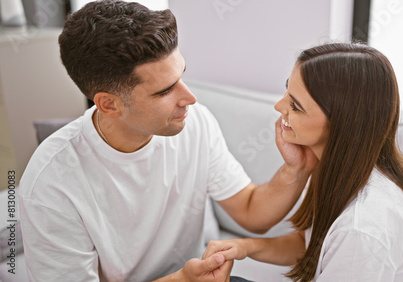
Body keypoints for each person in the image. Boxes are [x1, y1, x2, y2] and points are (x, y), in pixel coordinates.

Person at [18, 1, 317, 281]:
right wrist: (183, 279)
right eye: (164, 91)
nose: (190, 98)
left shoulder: (195, 123)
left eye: (182, 75)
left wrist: (296, 170)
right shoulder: (50, 184)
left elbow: (252, 212)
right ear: (109, 105)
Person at [203, 43, 403, 281]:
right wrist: (244, 247)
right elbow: (314, 246)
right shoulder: (342, 170)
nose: (279, 106)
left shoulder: (363, 225)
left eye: (295, 106)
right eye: (287, 91)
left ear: (342, 124)